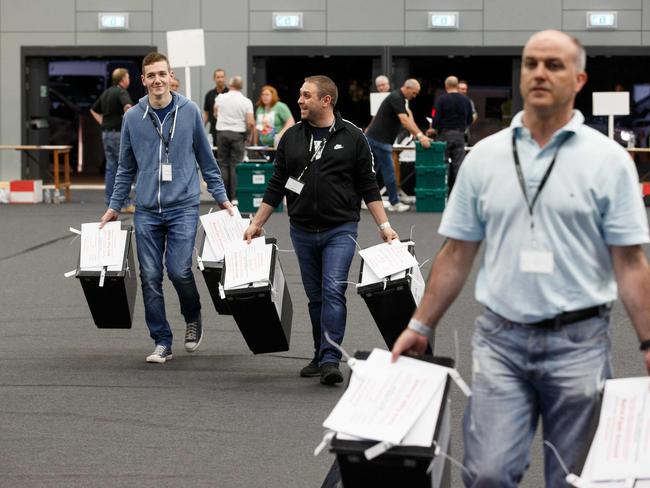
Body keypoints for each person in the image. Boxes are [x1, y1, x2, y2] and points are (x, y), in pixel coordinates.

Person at [391, 30, 650, 487]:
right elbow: (456, 253)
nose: (539, 73)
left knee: (576, 479)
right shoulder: (485, 158)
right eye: (531, 63)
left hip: (580, 342)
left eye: (553, 64)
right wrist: (419, 326)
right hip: (500, 340)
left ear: (579, 78)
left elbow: (630, 262)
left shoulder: (609, 161)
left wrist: (648, 342)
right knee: (487, 474)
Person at [243, 75, 399, 385]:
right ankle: (319, 352)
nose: (299, 101)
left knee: (332, 290)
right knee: (315, 297)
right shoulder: (291, 138)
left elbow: (368, 185)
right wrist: (256, 223)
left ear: (325, 100)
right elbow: (277, 184)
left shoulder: (353, 137)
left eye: (305, 96)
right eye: (300, 95)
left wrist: (385, 226)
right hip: (301, 230)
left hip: (340, 229)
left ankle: (330, 358)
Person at [99, 52, 232, 364]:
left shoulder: (189, 111)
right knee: (150, 275)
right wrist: (114, 206)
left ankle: (193, 316)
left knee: (179, 270)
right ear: (143, 80)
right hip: (146, 209)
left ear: (171, 76)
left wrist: (222, 197)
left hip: (183, 205)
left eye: (162, 74)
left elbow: (206, 160)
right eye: (151, 75)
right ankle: (161, 340)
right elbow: (124, 168)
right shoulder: (132, 118)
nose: (157, 80)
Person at [366, 79, 431, 212]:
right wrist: (420, 135)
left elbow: (409, 118)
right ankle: (394, 202)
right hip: (380, 140)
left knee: (371, 172)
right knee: (389, 171)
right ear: (407, 88)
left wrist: (420, 134)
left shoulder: (400, 99)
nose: (415, 96)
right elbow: (405, 121)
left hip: (376, 139)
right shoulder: (396, 97)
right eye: (414, 93)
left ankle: (364, 200)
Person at [90, 68, 133, 211]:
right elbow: (128, 107)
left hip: (106, 133)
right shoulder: (122, 92)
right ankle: (125, 202)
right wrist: (131, 123)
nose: (129, 79)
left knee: (111, 168)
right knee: (124, 167)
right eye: (128, 77)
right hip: (118, 133)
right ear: (122, 79)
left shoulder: (107, 92)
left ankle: (110, 201)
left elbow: (93, 109)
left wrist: (103, 122)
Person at [428, 76, 474, 194]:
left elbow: (435, 118)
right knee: (458, 165)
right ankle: (458, 193)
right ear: (457, 85)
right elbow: (470, 119)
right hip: (459, 135)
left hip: (444, 135)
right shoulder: (466, 101)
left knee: (442, 165)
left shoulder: (441, 100)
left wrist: (434, 127)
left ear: (446, 86)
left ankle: (442, 192)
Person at [214, 76, 255, 201]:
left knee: (223, 164)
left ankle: (223, 197)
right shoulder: (246, 101)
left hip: (222, 133)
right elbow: (251, 122)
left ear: (230, 84)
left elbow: (215, 113)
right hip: (238, 134)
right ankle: (235, 197)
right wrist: (249, 136)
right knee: (235, 166)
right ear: (241, 86)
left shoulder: (220, 97)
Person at [203, 68, 228, 145]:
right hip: (213, 129)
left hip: (227, 129)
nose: (220, 79)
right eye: (218, 77)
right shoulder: (209, 94)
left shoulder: (230, 94)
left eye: (222, 77)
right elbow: (206, 113)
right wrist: (201, 127)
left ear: (225, 78)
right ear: (214, 78)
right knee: (213, 153)